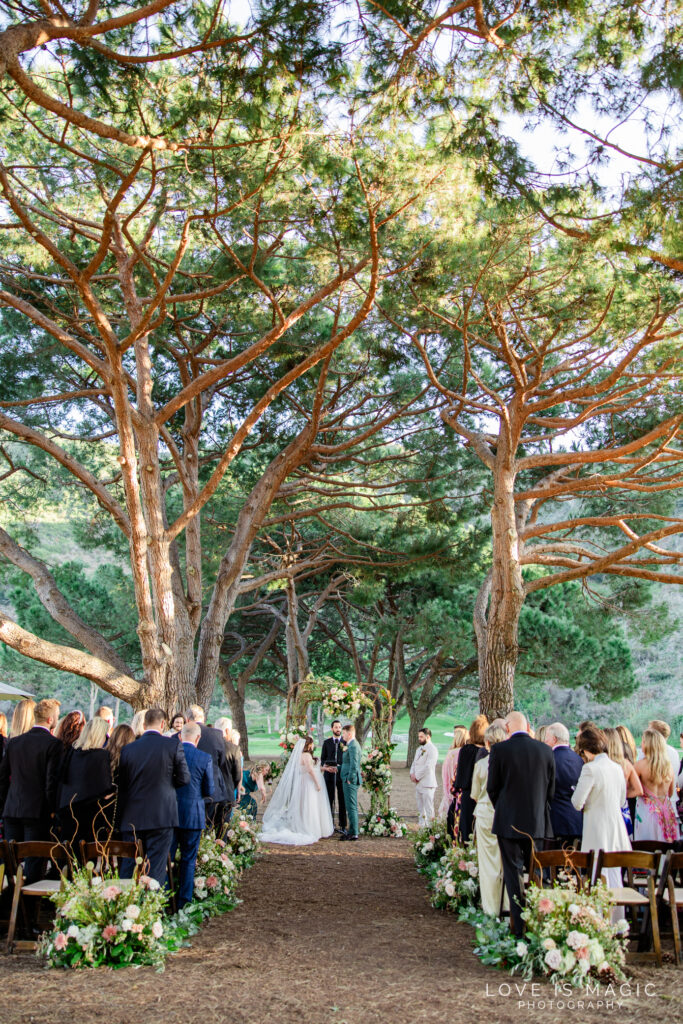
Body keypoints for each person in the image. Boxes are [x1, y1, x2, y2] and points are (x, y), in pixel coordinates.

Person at [487, 711, 555, 937]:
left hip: (508, 822)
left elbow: (492, 788)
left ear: (507, 727)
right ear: (527, 726)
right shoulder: (545, 750)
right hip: (537, 823)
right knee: (537, 874)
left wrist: (504, 809)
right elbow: (550, 789)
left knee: (513, 874)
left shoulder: (499, 750)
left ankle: (519, 928)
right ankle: (540, 923)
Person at [117, 708, 190, 884]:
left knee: (129, 863)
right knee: (156, 865)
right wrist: (167, 784)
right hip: (162, 813)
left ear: (143, 724)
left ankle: (124, 905)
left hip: (133, 815)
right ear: (163, 724)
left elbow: (123, 783)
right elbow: (184, 778)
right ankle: (152, 907)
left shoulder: (128, 749)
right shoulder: (172, 745)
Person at [0, 698, 62, 882]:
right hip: (37, 811)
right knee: (33, 860)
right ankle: (27, 905)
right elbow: (51, 783)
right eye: (57, 716)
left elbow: (3, 778)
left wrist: (5, 805)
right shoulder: (53, 744)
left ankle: (10, 900)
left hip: (12, 809)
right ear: (50, 719)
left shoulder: (14, 742)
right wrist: (52, 811)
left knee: (10, 858)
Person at [572, 726, 631, 891]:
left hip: (597, 828)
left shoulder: (590, 769)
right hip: (616, 828)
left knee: (598, 877)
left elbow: (577, 802)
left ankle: (598, 915)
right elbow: (621, 800)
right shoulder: (617, 767)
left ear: (586, 750)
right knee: (614, 877)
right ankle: (617, 916)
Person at [259, 736, 333, 845]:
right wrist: (317, 783)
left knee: (304, 805)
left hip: (304, 782)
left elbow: (311, 768)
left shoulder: (300, 755)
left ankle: (305, 824)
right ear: (309, 745)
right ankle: (311, 828)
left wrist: (324, 768)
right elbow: (310, 770)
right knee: (310, 805)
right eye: (312, 743)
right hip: (309, 783)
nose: (313, 745)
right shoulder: (307, 755)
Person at [172, 722, 214, 908]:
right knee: (189, 859)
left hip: (171, 812)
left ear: (180, 736)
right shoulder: (204, 758)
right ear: (198, 738)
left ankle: (165, 898)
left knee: (168, 857)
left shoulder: (171, 754)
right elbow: (209, 789)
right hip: (193, 813)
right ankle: (184, 901)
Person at [57, 718, 113, 846]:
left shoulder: (72, 752)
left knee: (70, 855)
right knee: (87, 859)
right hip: (89, 814)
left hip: (67, 809)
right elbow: (105, 789)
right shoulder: (101, 756)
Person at [471, 722, 507, 916]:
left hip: (486, 814)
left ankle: (491, 909)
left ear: (487, 743)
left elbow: (475, 794)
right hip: (505, 815)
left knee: (487, 864)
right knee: (506, 862)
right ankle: (506, 906)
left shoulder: (481, 765)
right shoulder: (510, 763)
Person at [186, 706, 233, 831]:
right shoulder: (216, 735)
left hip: (187, 790)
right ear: (204, 718)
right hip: (212, 789)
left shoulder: (178, 736)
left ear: (186, 719)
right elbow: (221, 761)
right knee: (208, 828)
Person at [633, 728, 680, 844]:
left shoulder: (640, 765)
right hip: (667, 811)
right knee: (667, 846)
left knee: (647, 845)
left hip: (647, 811)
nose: (641, 744)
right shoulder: (668, 767)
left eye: (643, 741)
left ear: (648, 745)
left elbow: (631, 788)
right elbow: (670, 793)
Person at [544, 722, 584, 847]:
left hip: (555, 820)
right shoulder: (578, 759)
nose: (545, 741)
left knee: (554, 863)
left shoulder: (549, 758)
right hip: (576, 819)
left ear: (554, 739)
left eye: (546, 738)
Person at [453, 714, 488, 843]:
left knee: (467, 830)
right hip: (482, 795)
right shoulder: (486, 752)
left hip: (467, 794)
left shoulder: (465, 750)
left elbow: (460, 776)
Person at [604, 726, 643, 837]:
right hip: (622, 806)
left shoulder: (601, 763)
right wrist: (623, 796)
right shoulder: (626, 764)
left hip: (606, 807)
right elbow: (639, 790)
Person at [214, 716, 243, 822]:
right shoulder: (233, 748)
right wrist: (232, 786)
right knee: (223, 828)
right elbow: (237, 774)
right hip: (227, 791)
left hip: (210, 793)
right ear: (227, 730)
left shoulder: (208, 745)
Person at [320, 720, 347, 832]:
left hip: (341, 775)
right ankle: (329, 824)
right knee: (329, 799)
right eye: (336, 727)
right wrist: (327, 766)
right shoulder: (327, 742)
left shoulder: (345, 743)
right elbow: (322, 759)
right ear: (332, 729)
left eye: (339, 727)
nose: (338, 729)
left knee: (342, 799)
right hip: (329, 774)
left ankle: (343, 825)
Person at [410, 727, 439, 826]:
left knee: (429, 808)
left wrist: (417, 776)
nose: (419, 738)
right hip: (419, 783)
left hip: (427, 783)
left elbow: (428, 766)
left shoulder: (432, 749)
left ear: (428, 737)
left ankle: (431, 828)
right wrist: (412, 774)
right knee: (420, 808)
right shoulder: (419, 749)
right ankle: (422, 827)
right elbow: (414, 763)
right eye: (419, 736)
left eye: (421, 736)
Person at [438, 725, 468, 817]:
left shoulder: (452, 753)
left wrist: (447, 793)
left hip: (452, 790)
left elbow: (445, 775)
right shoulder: (469, 752)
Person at [340, 724, 362, 841]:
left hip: (350, 780)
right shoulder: (351, 745)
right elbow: (347, 763)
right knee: (350, 806)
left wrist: (350, 778)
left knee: (351, 806)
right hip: (347, 777)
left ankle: (353, 832)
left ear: (349, 734)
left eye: (343, 733)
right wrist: (337, 768)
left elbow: (354, 764)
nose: (342, 735)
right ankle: (352, 831)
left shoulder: (353, 746)